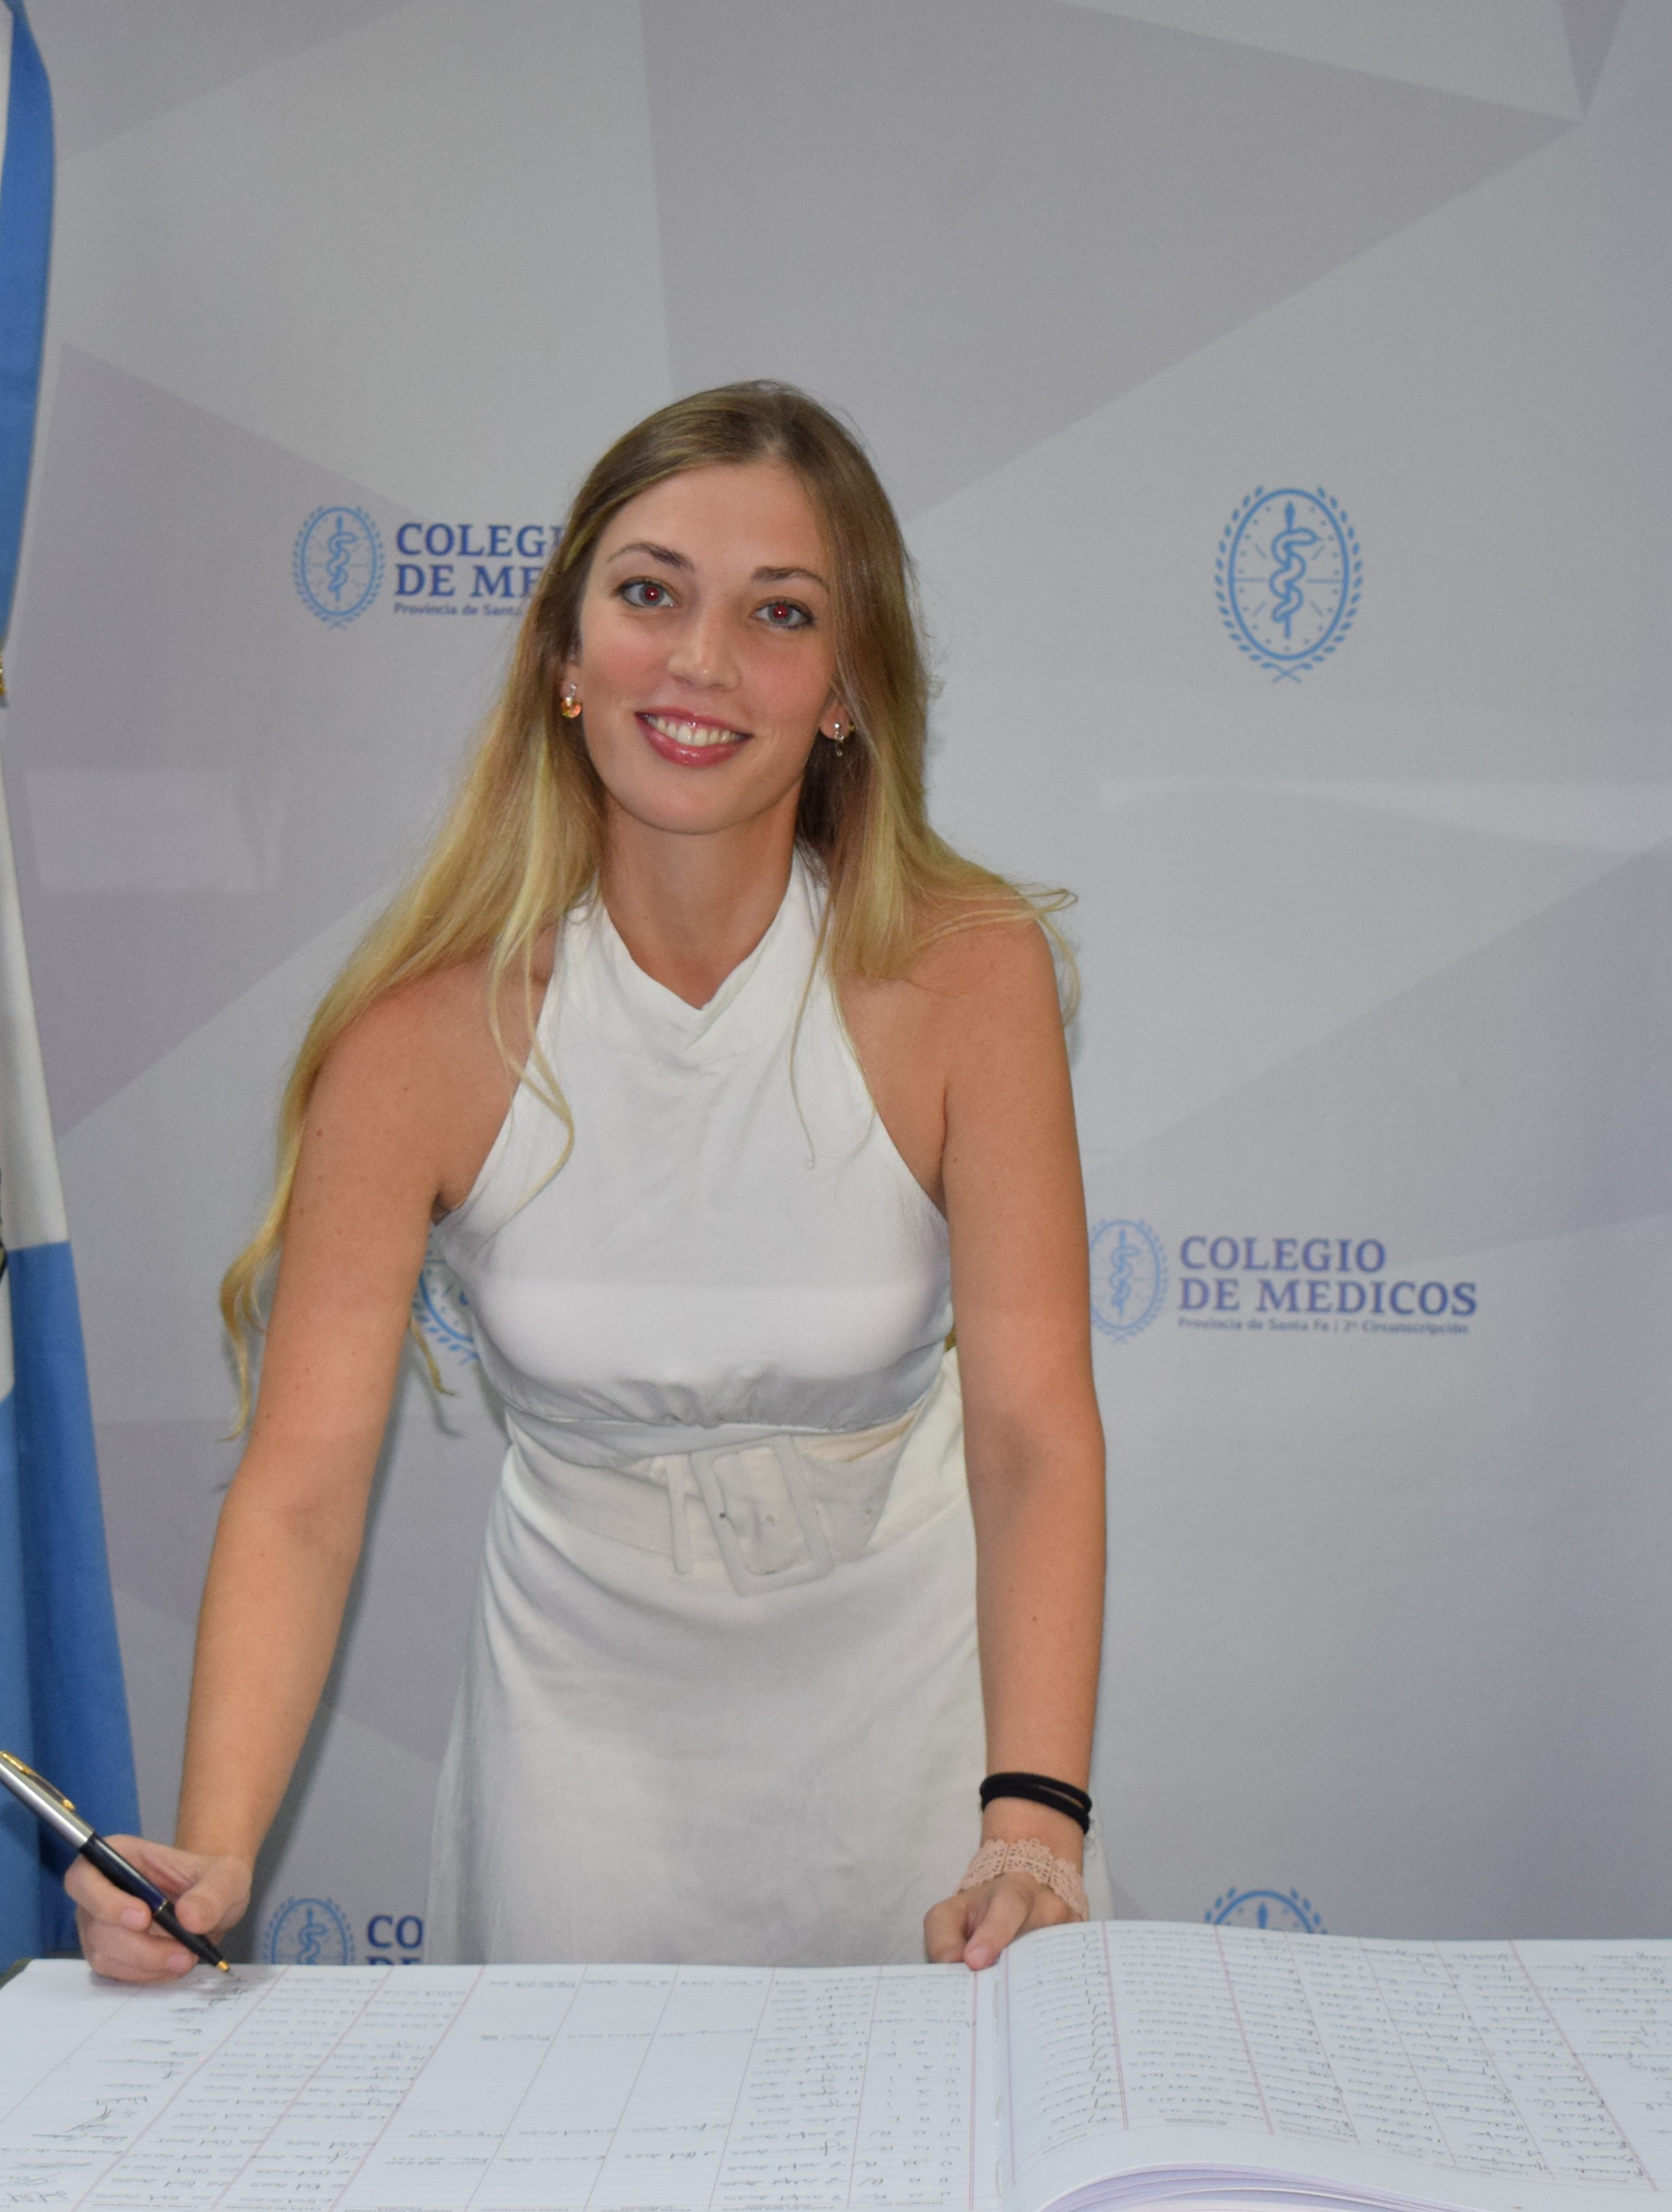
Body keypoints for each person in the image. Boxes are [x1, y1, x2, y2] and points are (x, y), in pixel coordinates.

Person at [72, 383, 1106, 1977]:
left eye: (780, 611)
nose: (702, 660)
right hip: (583, 1766)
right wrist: (207, 1849)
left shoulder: (971, 975)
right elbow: (300, 1492)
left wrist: (1032, 1818)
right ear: (565, 654)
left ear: (847, 690)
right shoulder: (415, 1039)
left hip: (933, 1740)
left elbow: (1033, 1434)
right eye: (649, 593)